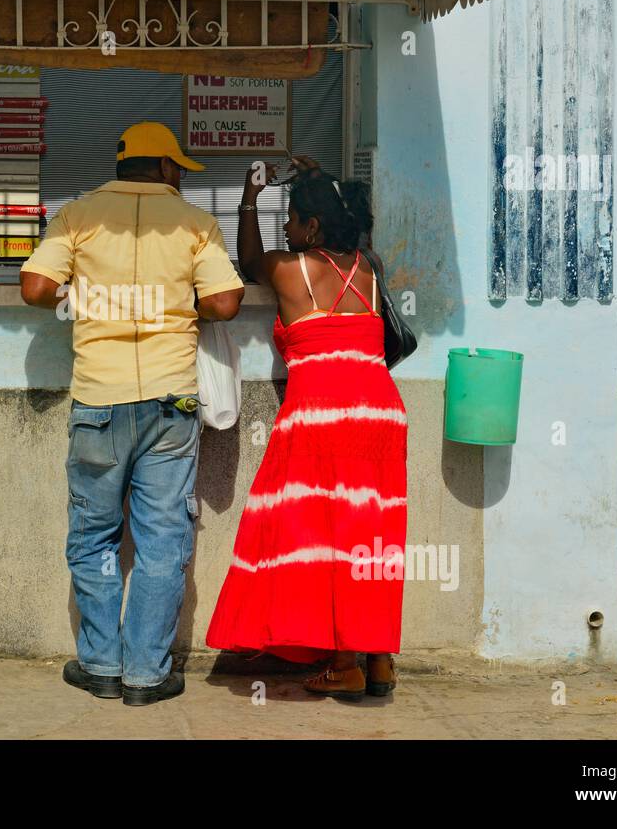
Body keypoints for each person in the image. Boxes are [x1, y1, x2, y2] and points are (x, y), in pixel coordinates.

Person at [20, 121, 245, 706]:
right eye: (178, 169)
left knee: (93, 533)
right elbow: (224, 302)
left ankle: (99, 665)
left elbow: (34, 288)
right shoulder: (195, 224)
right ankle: (147, 674)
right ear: (166, 167)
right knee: (164, 539)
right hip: (172, 400)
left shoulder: (77, 217)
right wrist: (176, 302)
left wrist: (80, 295)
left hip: (99, 399)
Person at [204, 154, 407, 700]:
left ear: (311, 228)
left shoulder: (291, 272)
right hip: (381, 412)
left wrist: (250, 194)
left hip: (324, 413)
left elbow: (246, 259)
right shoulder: (370, 267)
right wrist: (321, 179)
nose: (286, 229)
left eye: (292, 219)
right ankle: (378, 659)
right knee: (371, 537)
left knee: (322, 535)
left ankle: (344, 663)